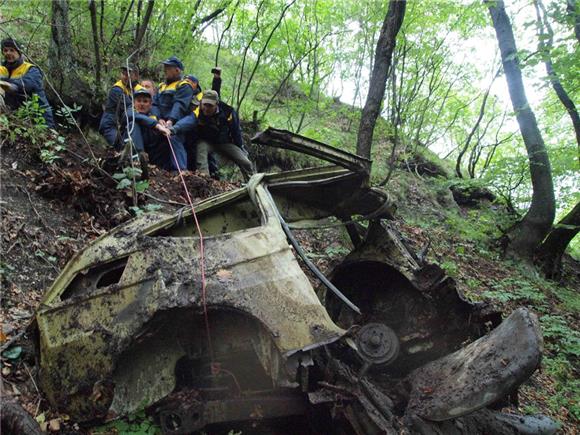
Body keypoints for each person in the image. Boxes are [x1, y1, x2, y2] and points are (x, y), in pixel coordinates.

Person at [169, 90, 254, 180]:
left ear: (217, 104)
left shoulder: (228, 112)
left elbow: (236, 131)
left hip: (225, 142)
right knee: (201, 151)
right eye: (205, 104)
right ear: (201, 103)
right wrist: (174, 129)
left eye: (210, 105)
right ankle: (205, 180)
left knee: (246, 162)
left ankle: (252, 181)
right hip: (206, 142)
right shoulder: (198, 111)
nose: (206, 108)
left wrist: (240, 146)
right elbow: (188, 121)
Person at [0, 38, 55, 128]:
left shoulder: (32, 69)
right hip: (12, 118)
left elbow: (28, 84)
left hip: (40, 121)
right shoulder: (2, 69)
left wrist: (9, 84)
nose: (8, 53)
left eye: (12, 50)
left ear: (19, 52)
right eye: (5, 50)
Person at [152, 56, 192, 170]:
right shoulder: (161, 86)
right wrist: (158, 119)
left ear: (177, 70)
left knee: (173, 138)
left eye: (168, 67)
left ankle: (181, 171)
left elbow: (179, 105)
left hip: (177, 123)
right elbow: (154, 104)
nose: (165, 69)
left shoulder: (184, 85)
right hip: (161, 121)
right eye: (165, 66)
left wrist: (171, 120)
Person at [98, 64, 143, 148]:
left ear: (136, 76)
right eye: (123, 74)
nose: (125, 77)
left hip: (122, 126)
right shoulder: (117, 90)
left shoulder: (134, 88)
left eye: (128, 75)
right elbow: (130, 108)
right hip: (110, 126)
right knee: (122, 146)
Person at [127, 88, 170, 168]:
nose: (142, 104)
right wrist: (157, 125)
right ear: (134, 103)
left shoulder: (154, 116)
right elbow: (137, 117)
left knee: (164, 139)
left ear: (150, 105)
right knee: (134, 124)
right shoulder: (129, 113)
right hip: (131, 150)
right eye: (139, 101)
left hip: (152, 151)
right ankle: (139, 160)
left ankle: (161, 169)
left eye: (145, 101)